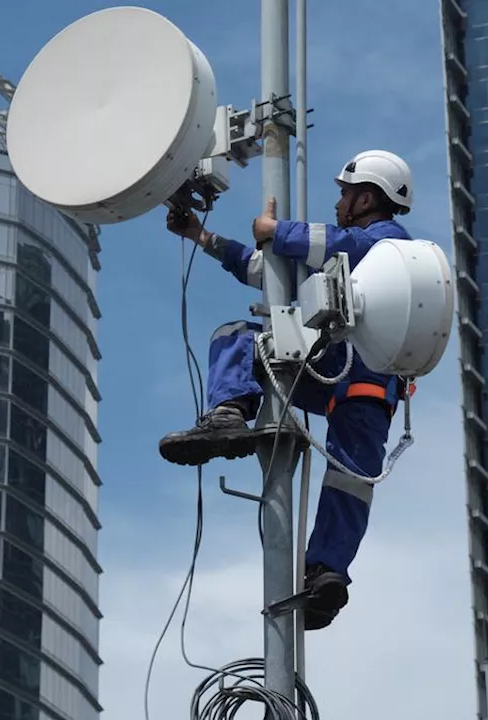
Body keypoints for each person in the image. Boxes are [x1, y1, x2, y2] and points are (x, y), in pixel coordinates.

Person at [159, 149, 415, 630]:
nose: (338, 203)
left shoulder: (386, 242)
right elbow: (266, 273)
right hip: (346, 380)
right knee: (350, 482)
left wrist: (279, 231)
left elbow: (331, 242)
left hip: (355, 375)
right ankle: (325, 571)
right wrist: (201, 236)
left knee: (234, 338)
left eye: (344, 194)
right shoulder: (341, 258)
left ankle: (230, 413)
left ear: (365, 198)